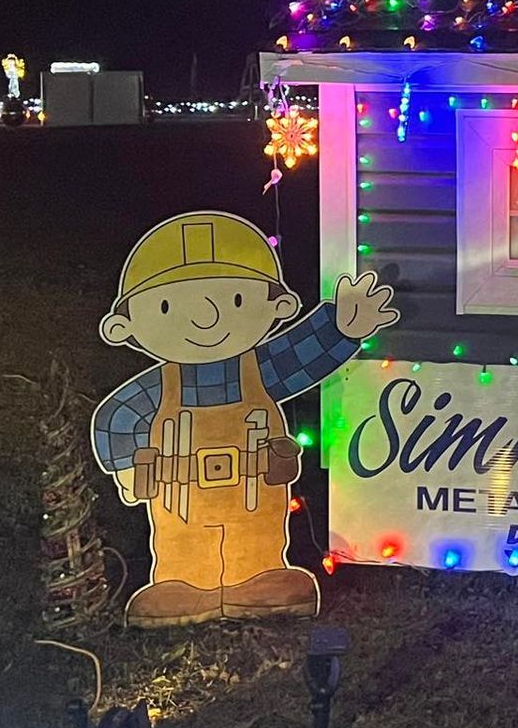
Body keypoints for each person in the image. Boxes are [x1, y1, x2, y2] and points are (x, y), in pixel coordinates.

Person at [91, 211, 397, 627]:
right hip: (181, 495)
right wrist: (128, 465)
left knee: (255, 539)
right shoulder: (159, 387)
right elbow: (118, 416)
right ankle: (182, 583)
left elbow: (297, 355)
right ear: (123, 327)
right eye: (167, 306)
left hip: (254, 491)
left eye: (236, 300)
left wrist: (340, 329)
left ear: (279, 305)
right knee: (183, 542)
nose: (206, 318)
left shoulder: (262, 369)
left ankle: (257, 578)